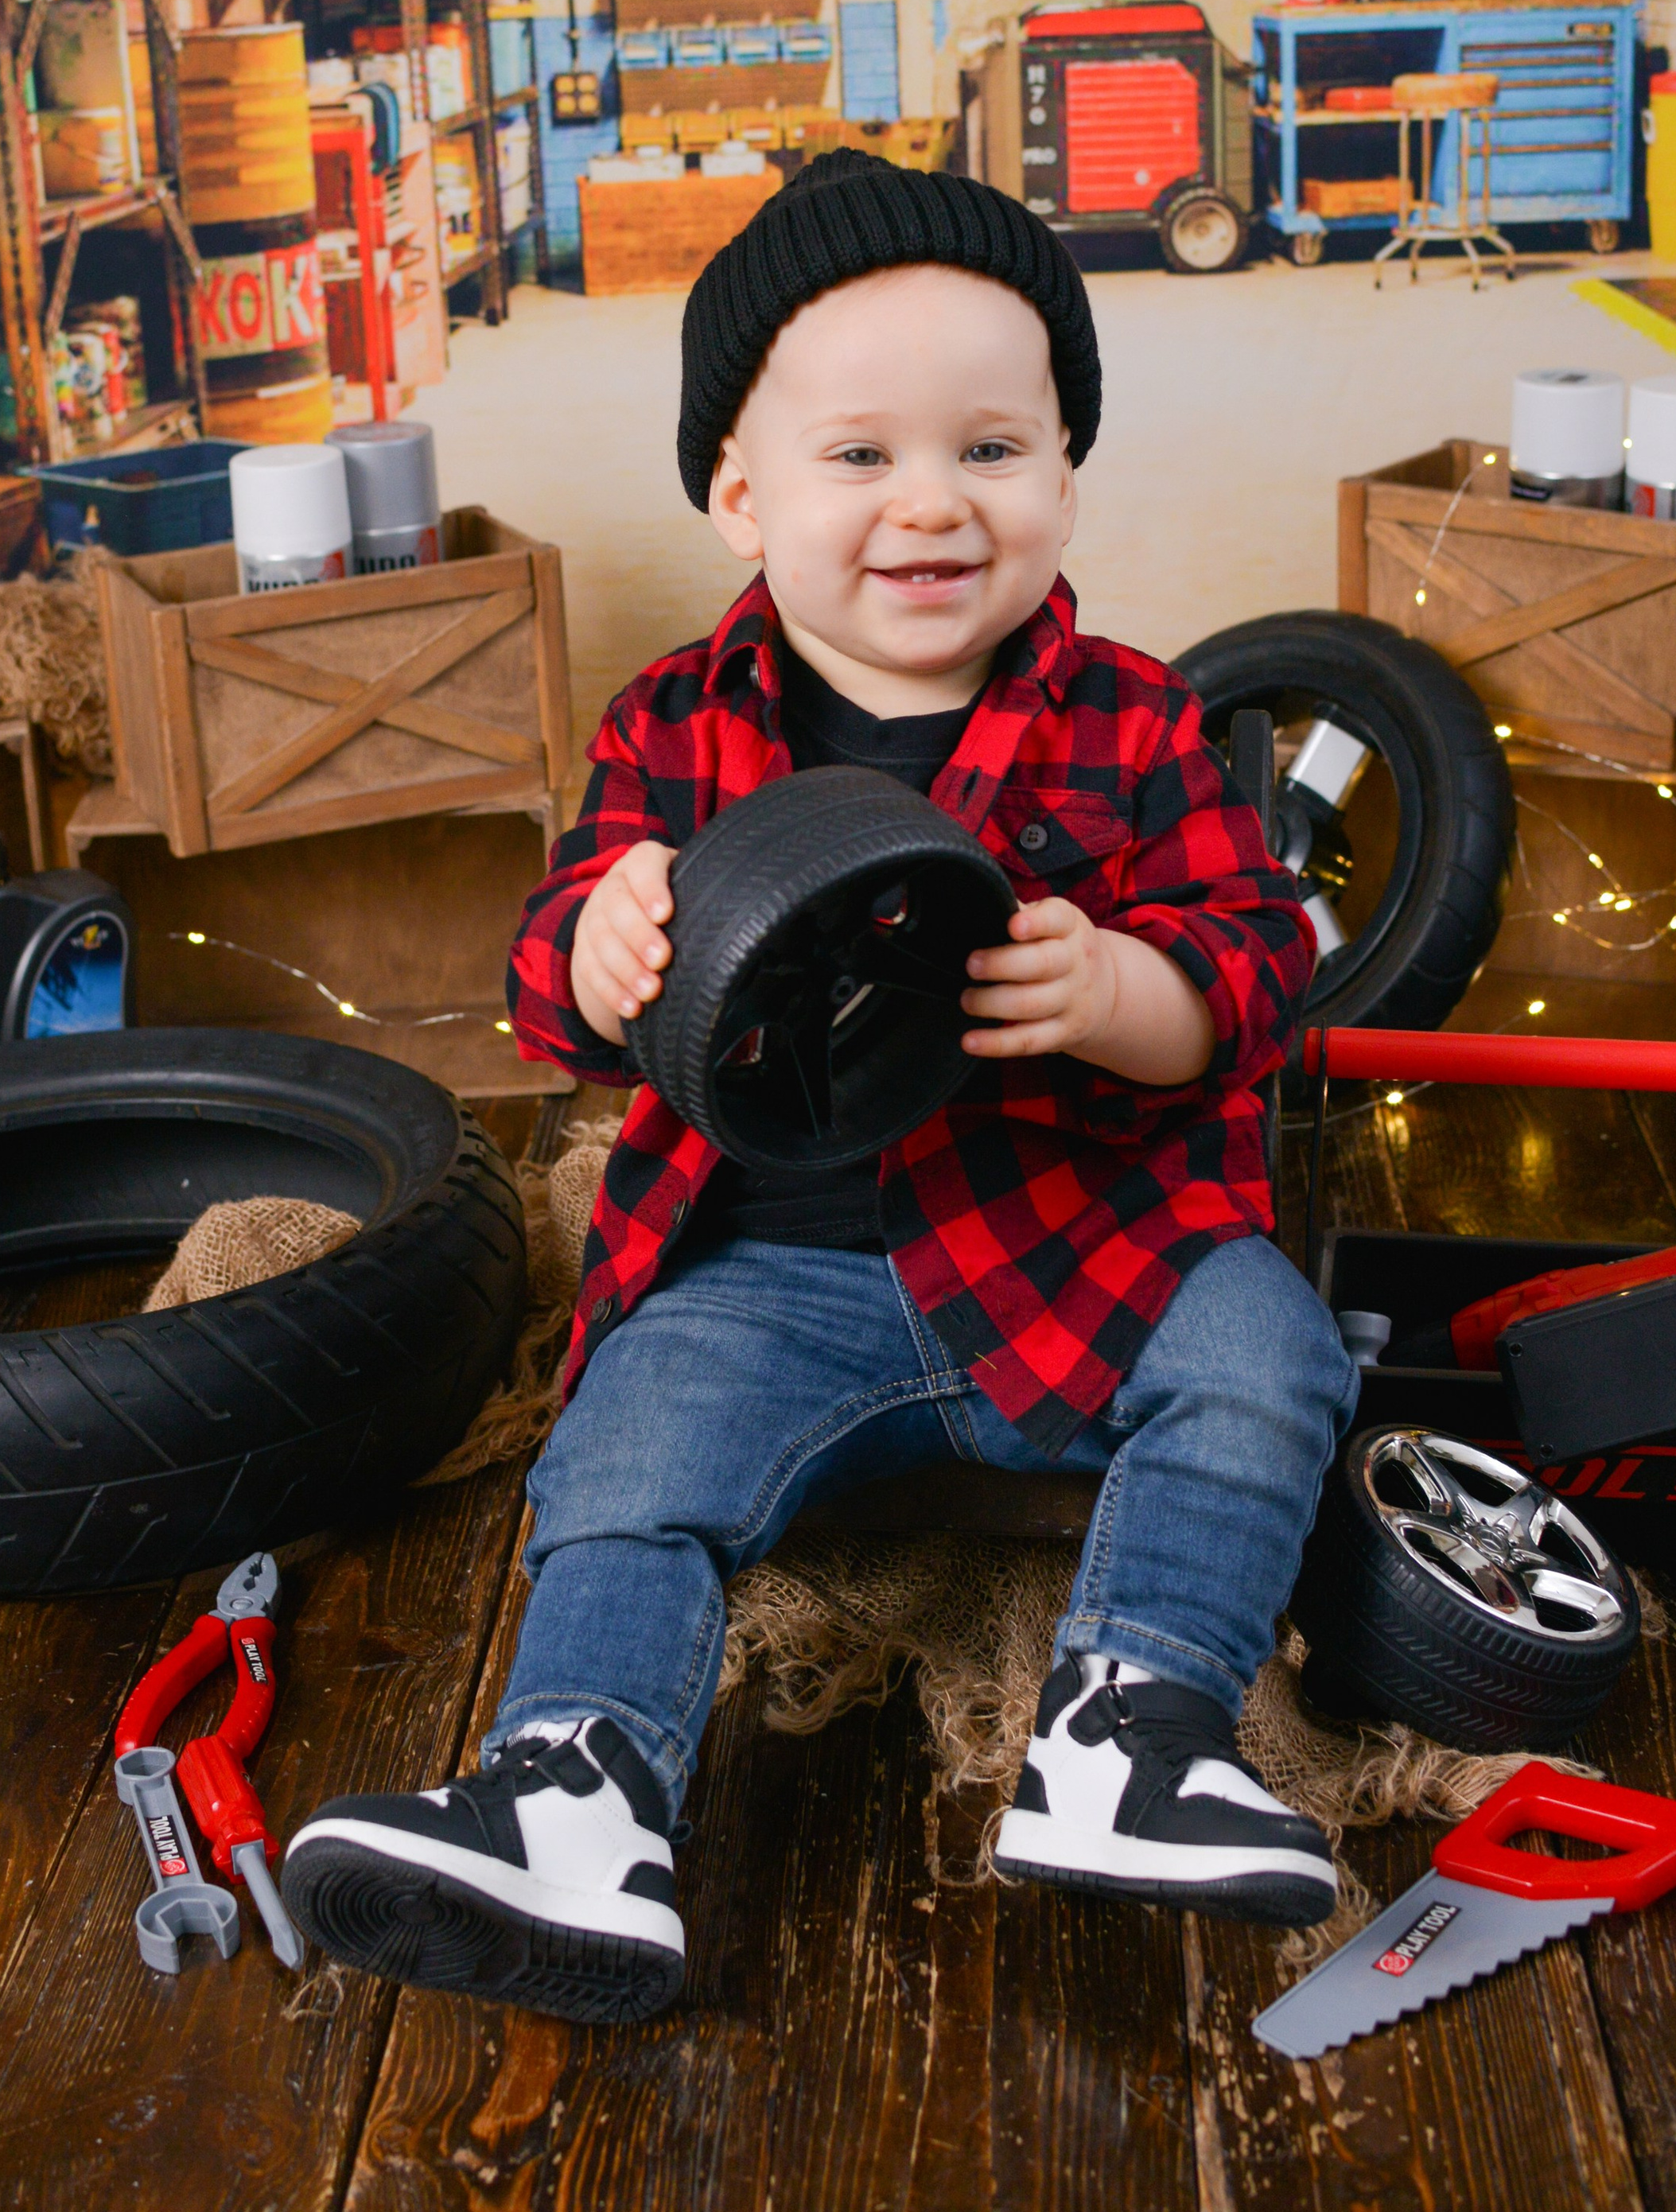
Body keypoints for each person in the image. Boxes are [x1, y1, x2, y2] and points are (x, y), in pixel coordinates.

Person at [284, 151, 1358, 2023]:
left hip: (1086, 1242)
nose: (930, 501)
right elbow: (546, 986)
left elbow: (1259, 958)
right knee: (626, 1448)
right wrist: (601, 952)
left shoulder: (1133, 719)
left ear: (1063, 472)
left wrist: (1124, 987)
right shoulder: (672, 725)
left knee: (1269, 1351)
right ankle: (572, 1789)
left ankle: (1132, 1723)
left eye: (991, 447)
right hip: (770, 1268)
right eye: (858, 454)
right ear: (738, 493)